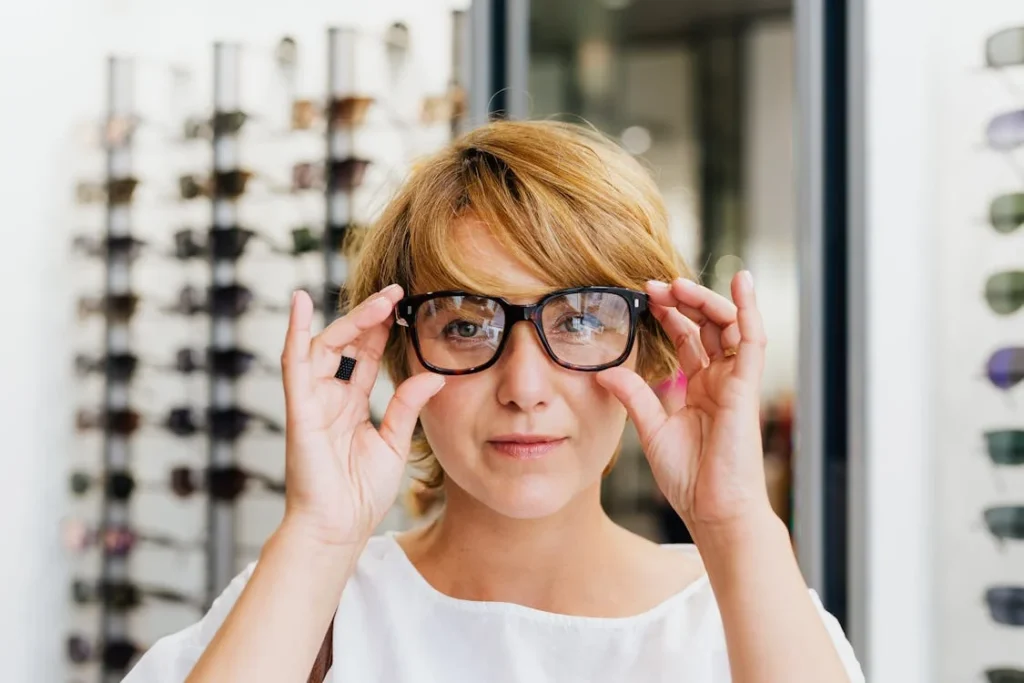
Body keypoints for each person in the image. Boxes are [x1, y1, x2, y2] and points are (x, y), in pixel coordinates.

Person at [123, 120, 863, 682]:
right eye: (467, 325)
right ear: (401, 349)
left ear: (652, 341)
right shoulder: (301, 605)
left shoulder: (744, 614)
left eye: (577, 321)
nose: (524, 388)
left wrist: (736, 522)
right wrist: (318, 534)